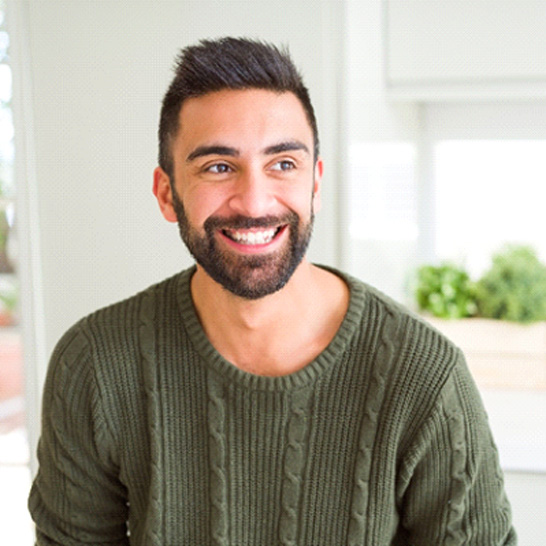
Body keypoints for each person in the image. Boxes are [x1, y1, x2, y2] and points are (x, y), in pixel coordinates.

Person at [28, 37, 516, 545]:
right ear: (167, 193)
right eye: (218, 166)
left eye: (283, 163)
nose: (255, 201)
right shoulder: (96, 364)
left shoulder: (425, 378)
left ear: (315, 184)